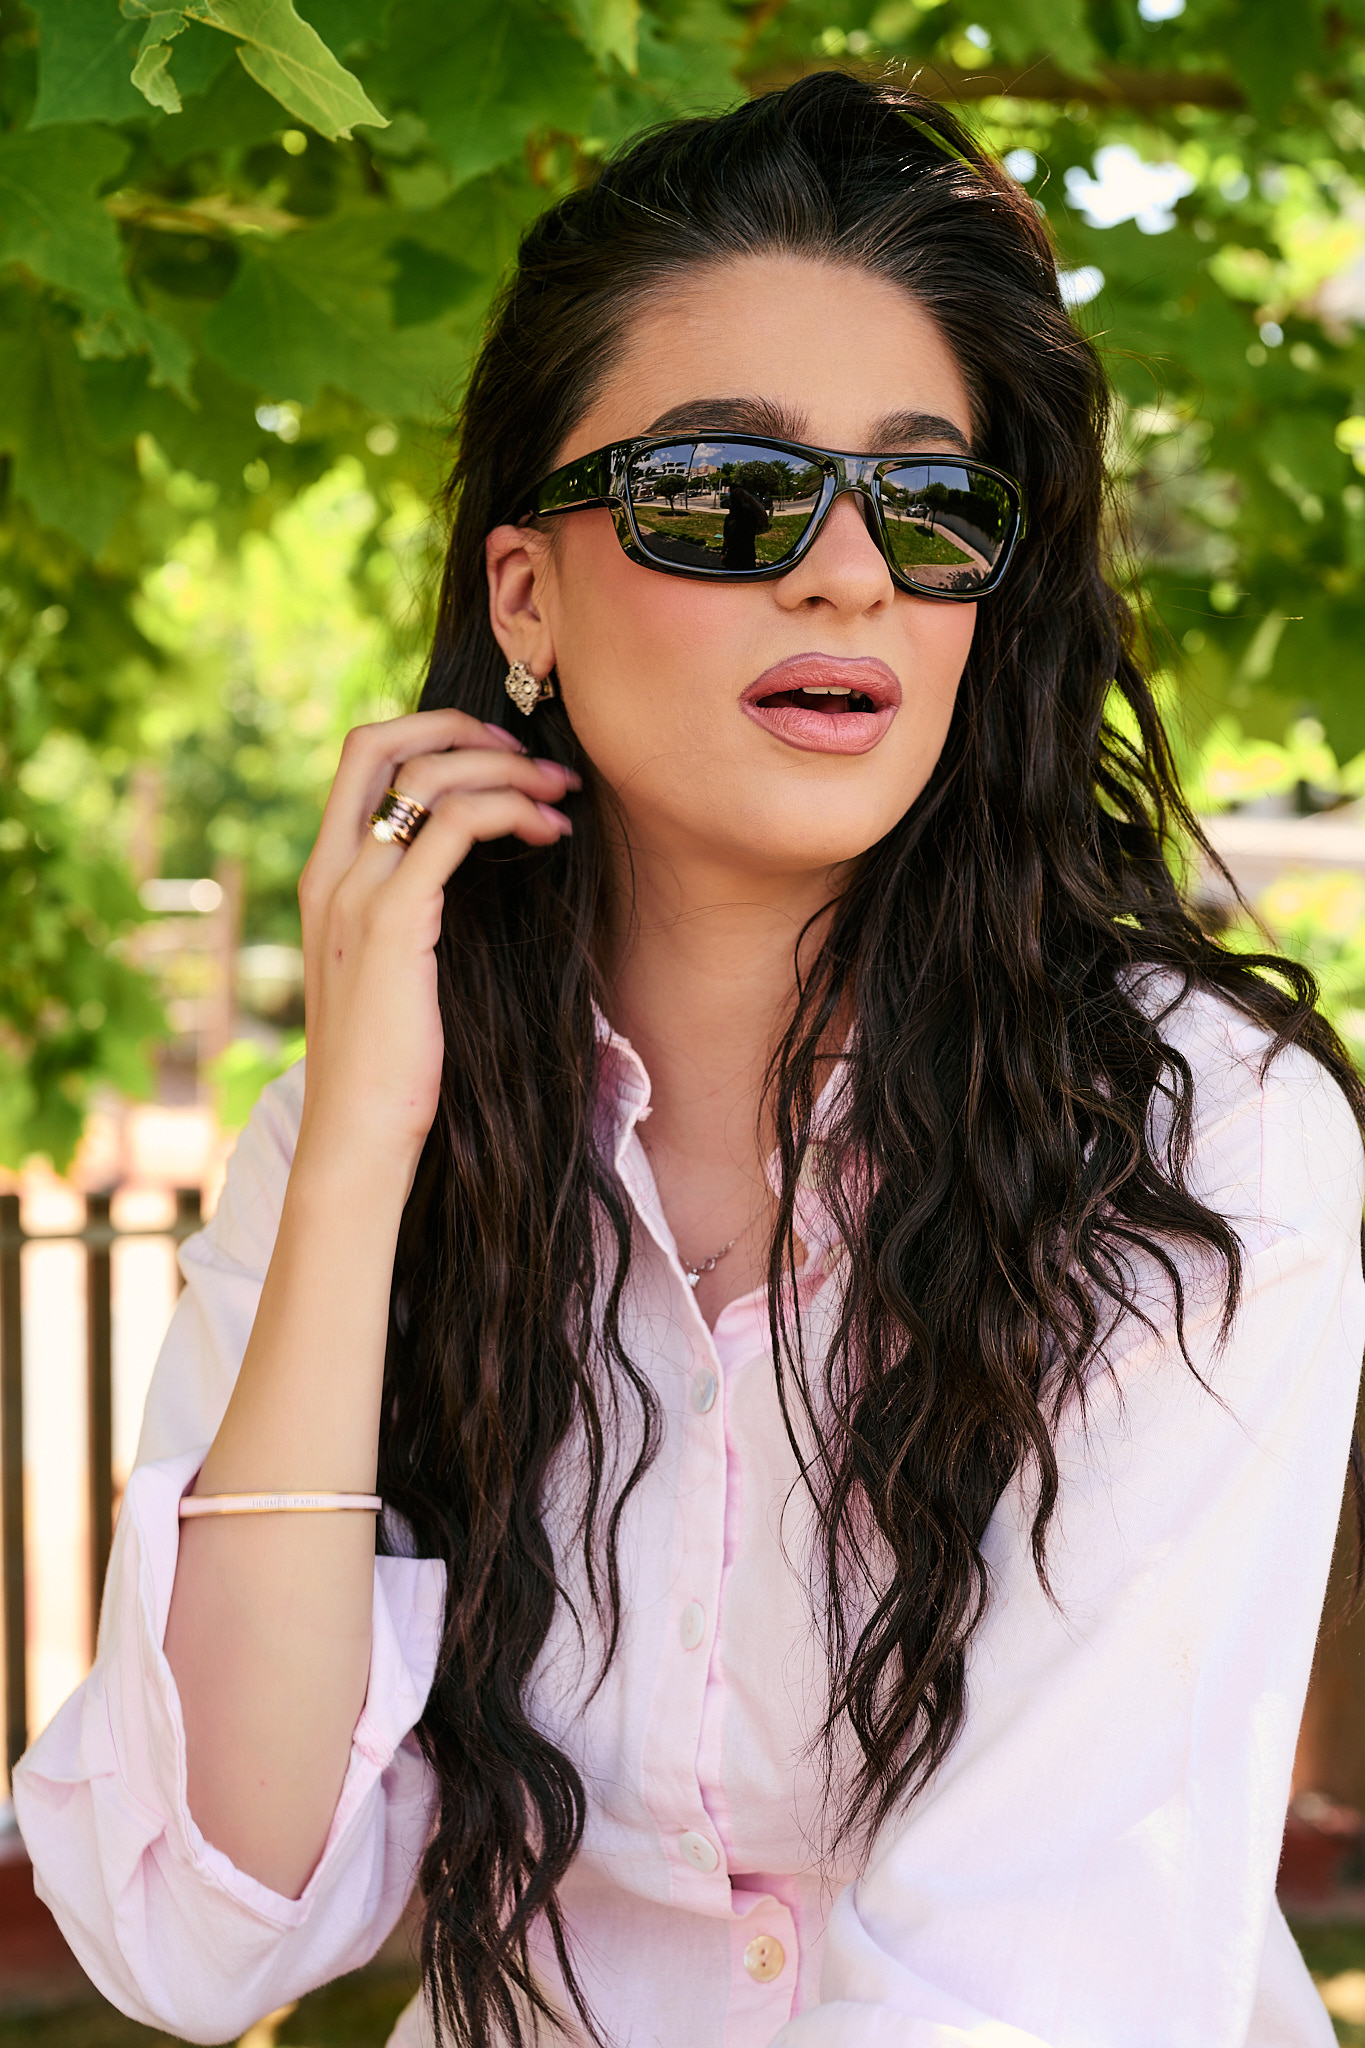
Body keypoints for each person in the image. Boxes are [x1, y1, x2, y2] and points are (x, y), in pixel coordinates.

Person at [15, 74, 1365, 2048]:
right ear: (526, 595)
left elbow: (1028, 1973)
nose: (845, 572)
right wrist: (362, 1152)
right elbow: (209, 1919)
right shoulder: (362, 1143)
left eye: (925, 504)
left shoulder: (1188, 1138)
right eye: (724, 493)